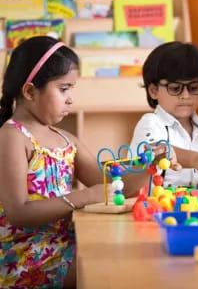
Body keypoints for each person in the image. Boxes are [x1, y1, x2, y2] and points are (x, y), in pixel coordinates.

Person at [0, 36, 167, 288]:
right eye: (64, 89)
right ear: (30, 91)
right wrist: (85, 196)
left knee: (132, 259)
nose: (70, 99)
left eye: (72, 90)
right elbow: (19, 213)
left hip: (66, 247)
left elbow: (114, 185)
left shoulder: (67, 140)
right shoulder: (11, 136)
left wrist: (151, 165)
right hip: (26, 260)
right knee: (110, 273)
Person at [130, 41, 198, 188]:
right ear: (154, 91)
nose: (185, 95)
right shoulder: (150, 124)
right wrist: (196, 158)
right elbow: (154, 152)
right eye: (175, 88)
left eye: (193, 88)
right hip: (156, 208)